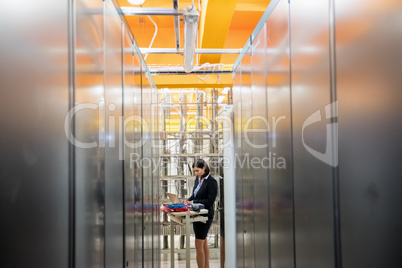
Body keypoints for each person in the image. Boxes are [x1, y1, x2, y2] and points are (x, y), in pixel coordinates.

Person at [183, 159, 218, 268]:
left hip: (205, 215)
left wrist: (192, 202)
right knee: (203, 242)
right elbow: (195, 196)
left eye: (197, 170)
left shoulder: (212, 182)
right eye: (194, 171)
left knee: (198, 244)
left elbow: (209, 201)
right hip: (197, 213)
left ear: (204, 168)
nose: (196, 173)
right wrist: (187, 201)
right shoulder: (198, 179)